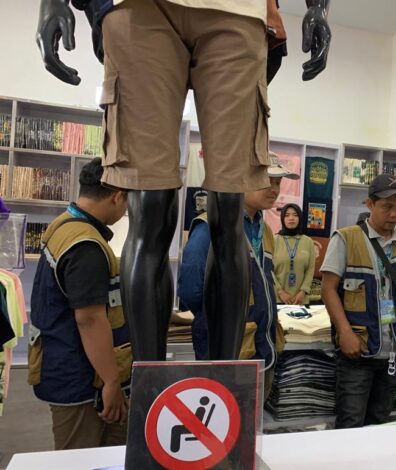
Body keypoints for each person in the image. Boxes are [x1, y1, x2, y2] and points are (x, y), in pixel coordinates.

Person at [36, 0, 331, 362]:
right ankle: (150, 382)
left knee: (229, 214)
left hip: (240, 9)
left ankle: (223, 377)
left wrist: (319, 7)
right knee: (151, 215)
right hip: (137, 8)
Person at [28, 158, 131, 450]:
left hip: (66, 364)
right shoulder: (86, 246)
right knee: (80, 456)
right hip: (82, 381)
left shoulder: (64, 224)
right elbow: (89, 319)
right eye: (127, 202)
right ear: (117, 196)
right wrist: (111, 381)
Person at [178, 154, 299, 398]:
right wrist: (217, 320)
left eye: (278, 182)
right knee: (222, 413)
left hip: (262, 348)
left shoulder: (264, 229)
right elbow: (191, 291)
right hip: (226, 352)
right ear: (244, 178)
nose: (275, 189)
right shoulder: (211, 226)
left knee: (253, 417)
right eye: (268, 181)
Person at [320, 174, 396, 429]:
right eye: (387, 206)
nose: (394, 214)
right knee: (350, 423)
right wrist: (345, 333)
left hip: (395, 351)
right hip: (359, 350)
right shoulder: (345, 239)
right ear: (370, 204)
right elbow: (328, 289)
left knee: (380, 424)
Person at [274, 203, 315, 305]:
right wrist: (280, 291)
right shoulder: (274, 240)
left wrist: (303, 291)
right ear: (282, 219)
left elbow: (310, 269)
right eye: (287, 215)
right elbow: (268, 269)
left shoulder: (308, 241)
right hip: (278, 298)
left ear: (300, 218)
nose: (291, 218)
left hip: (301, 299)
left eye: (295, 215)